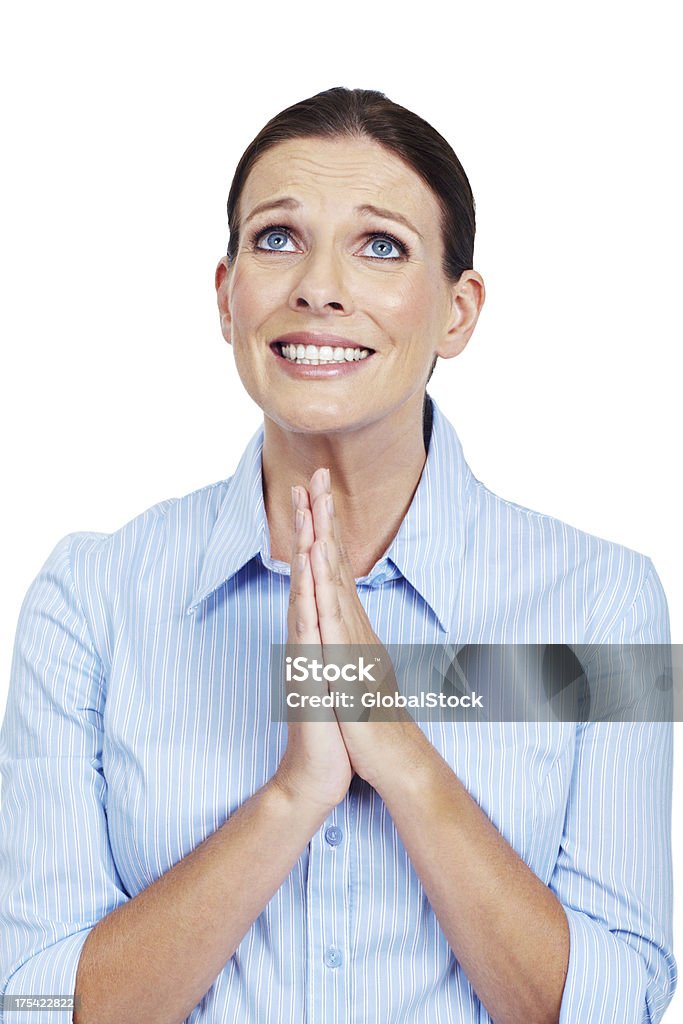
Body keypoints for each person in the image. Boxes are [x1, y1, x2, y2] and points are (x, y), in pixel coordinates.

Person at [0, 86, 676, 1024]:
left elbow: (625, 1005)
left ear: (457, 311)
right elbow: (33, 1001)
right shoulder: (89, 601)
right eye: (276, 238)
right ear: (226, 297)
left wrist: (395, 745)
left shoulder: (604, 603)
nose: (318, 286)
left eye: (380, 245)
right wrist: (293, 795)